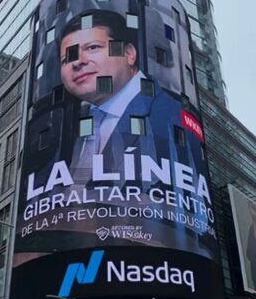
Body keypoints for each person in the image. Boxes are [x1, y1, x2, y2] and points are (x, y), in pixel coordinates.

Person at [58, 10, 204, 187]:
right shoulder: (67, 125)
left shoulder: (172, 116)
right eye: (67, 59)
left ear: (129, 54)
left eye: (92, 47)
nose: (77, 62)